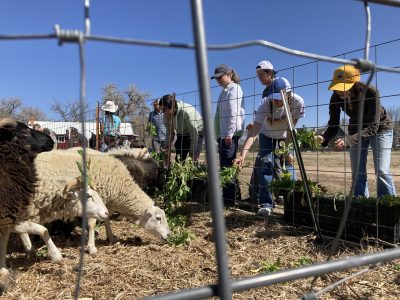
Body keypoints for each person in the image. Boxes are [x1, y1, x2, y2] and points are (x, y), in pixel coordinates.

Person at [319, 65, 396, 197]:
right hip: (356, 129)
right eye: (337, 86)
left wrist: (348, 140)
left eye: (343, 86)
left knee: (382, 170)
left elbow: (373, 127)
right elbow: (333, 125)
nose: (339, 91)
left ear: (354, 82)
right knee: (357, 171)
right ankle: (360, 203)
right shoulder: (335, 98)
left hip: (381, 128)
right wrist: (324, 138)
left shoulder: (371, 91)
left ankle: (388, 204)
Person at [234, 91, 305, 216]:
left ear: (288, 94)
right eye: (273, 98)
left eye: (279, 98)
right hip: (266, 134)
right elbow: (254, 132)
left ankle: (292, 201)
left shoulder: (297, 101)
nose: (276, 101)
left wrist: (287, 150)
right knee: (266, 165)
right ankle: (266, 204)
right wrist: (242, 155)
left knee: (288, 166)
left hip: (285, 135)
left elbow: (291, 128)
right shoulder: (265, 104)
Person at [248, 60, 294, 205]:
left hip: (283, 133)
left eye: (262, 74)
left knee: (281, 163)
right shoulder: (265, 92)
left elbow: (288, 108)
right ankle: (259, 196)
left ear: (270, 72)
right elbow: (265, 113)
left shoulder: (283, 83)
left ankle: (284, 195)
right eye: (258, 76)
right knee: (265, 163)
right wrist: (255, 124)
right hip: (267, 131)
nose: (260, 78)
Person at [211, 64, 245, 207]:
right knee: (225, 166)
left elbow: (233, 111)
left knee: (227, 167)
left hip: (228, 134)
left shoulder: (234, 88)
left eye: (220, 77)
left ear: (229, 74)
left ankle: (229, 201)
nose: (218, 80)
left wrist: (229, 133)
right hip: (223, 134)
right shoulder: (224, 91)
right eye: (216, 78)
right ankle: (229, 197)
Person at [159, 94, 203, 164]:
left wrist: (192, 153)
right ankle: (179, 171)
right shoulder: (166, 115)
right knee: (179, 157)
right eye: (161, 109)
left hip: (197, 130)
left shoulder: (187, 112)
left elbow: (194, 133)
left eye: (164, 109)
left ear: (172, 107)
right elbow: (170, 133)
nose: (162, 112)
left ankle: (194, 170)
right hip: (182, 131)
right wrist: (165, 147)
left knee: (193, 157)